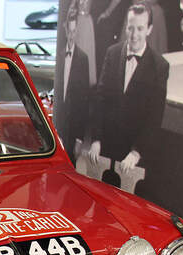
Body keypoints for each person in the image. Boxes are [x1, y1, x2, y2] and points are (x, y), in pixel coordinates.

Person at [88, 2, 169, 180]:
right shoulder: (112, 53)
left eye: (140, 29)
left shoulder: (160, 66)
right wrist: (96, 139)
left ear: (149, 30)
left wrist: (137, 153)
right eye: (130, 28)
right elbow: (100, 99)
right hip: (105, 148)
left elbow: (154, 118)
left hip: (133, 157)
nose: (134, 35)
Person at [56, 11, 90, 164]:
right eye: (69, 31)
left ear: (77, 31)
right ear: (65, 31)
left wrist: (79, 138)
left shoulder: (83, 59)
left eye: (74, 31)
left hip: (72, 129)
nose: (71, 35)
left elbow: (83, 101)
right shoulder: (60, 55)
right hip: (58, 128)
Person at [70, 0, 97, 86]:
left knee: (87, 49)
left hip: (85, 21)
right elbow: (72, 7)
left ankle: (86, 77)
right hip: (79, 20)